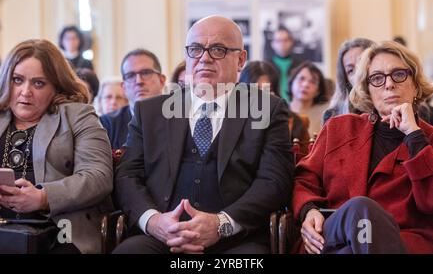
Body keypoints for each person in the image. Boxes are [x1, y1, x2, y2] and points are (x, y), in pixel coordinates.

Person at [113, 15, 293, 254]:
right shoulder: (150, 112)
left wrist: (221, 224)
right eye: (195, 49)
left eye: (218, 49)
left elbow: (274, 181)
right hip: (161, 238)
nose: (204, 58)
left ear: (240, 60)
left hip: (235, 239)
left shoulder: (267, 109)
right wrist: (154, 222)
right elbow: (127, 176)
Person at [292, 41, 433, 254]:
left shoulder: (427, 138)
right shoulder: (339, 128)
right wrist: (308, 210)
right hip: (332, 238)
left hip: (401, 242)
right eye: (377, 78)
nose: (388, 84)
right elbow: (304, 180)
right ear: (367, 89)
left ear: (415, 84)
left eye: (399, 75)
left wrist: (414, 136)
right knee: (360, 209)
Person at [0, 39, 113, 254]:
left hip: (58, 233)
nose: (25, 91)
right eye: (17, 80)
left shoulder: (79, 115)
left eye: (38, 83)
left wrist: (44, 197)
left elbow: (98, 176)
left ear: (56, 85)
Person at [99, 49, 166, 149]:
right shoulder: (107, 124)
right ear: (124, 87)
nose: (139, 81)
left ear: (161, 81)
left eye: (146, 72)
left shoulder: (179, 120)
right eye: (130, 76)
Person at [239, 60, 310, 153]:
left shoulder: (295, 121)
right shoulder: (231, 120)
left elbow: (303, 161)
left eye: (267, 90)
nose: (261, 96)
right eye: (256, 90)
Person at [323, 38, 374, 123]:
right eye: (350, 70)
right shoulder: (333, 115)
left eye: (362, 64)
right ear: (346, 80)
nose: (358, 73)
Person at [288, 62, 329, 136]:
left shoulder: (325, 114)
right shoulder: (279, 110)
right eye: (301, 79)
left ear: (318, 91)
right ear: (292, 82)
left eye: (312, 82)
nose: (305, 85)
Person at [267, 27, 304, 102]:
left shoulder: (301, 65)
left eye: (285, 40)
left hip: (296, 106)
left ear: (291, 42)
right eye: (278, 41)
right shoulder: (266, 66)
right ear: (272, 44)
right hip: (273, 107)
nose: (282, 44)